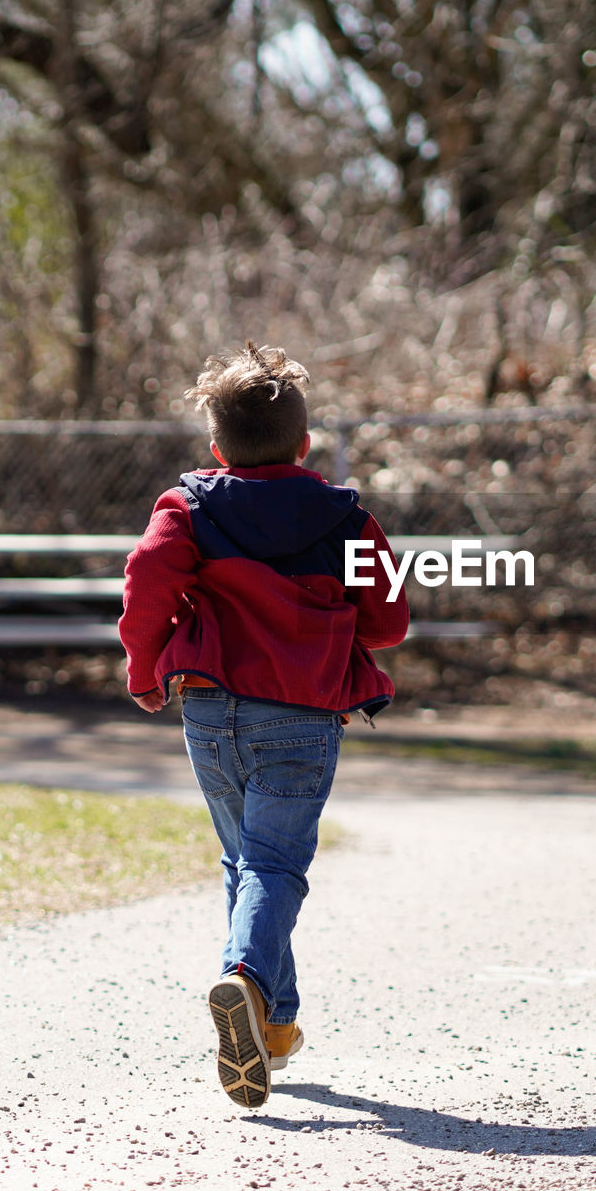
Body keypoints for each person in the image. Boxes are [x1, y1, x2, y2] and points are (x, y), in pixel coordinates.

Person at [118, 340, 410, 1109]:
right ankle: (245, 979)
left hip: (210, 707)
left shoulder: (187, 506)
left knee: (245, 859)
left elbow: (148, 578)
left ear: (217, 449)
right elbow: (388, 623)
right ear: (305, 445)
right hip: (302, 713)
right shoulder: (347, 519)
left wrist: (145, 669)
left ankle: (273, 1027)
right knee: (274, 864)